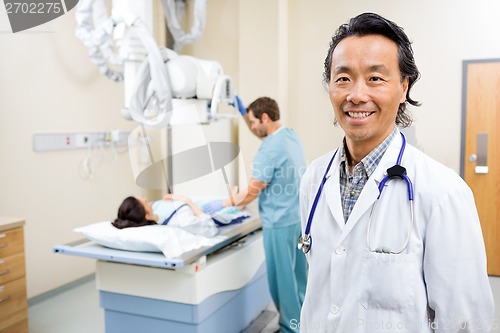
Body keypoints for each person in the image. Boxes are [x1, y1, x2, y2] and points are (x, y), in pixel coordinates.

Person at [298, 12, 494, 332]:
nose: (356, 95)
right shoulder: (313, 180)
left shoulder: (443, 192)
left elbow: (465, 321)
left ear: (403, 87)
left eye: (375, 78)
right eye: (343, 78)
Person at [203, 96, 308, 333]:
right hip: (298, 220)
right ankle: (304, 322)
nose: (251, 128)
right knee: (299, 277)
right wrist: (244, 113)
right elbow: (264, 135)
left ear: (264, 118)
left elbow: (252, 190)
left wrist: (225, 202)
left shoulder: (268, 149)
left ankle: (291, 328)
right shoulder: (290, 136)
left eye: (252, 122)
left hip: (279, 223)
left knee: (282, 282)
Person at [113, 194, 218, 237]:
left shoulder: (153, 209)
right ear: (147, 216)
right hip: (207, 211)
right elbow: (209, 228)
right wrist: (188, 201)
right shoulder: (179, 221)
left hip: (196, 203)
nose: (145, 199)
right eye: (144, 202)